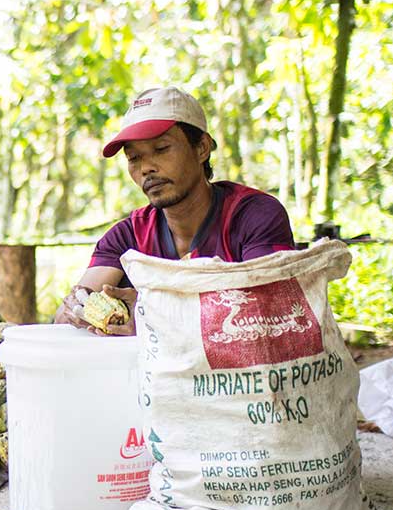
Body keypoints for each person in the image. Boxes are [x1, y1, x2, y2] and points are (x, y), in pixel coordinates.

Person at [55, 86, 295, 335]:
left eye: (161, 149)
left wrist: (155, 315)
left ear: (201, 148)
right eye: (134, 158)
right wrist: (78, 309)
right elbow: (68, 317)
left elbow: (273, 310)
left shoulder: (254, 217)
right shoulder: (127, 237)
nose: (146, 168)